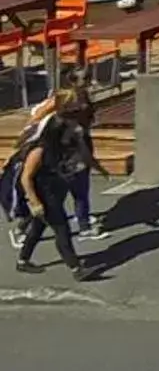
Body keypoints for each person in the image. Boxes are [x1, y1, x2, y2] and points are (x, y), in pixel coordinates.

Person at [15, 85, 98, 279]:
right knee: (62, 229)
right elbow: (25, 177)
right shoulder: (40, 148)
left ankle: (23, 260)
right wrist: (35, 203)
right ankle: (76, 269)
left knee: (39, 226)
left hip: (56, 186)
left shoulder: (59, 145)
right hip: (44, 191)